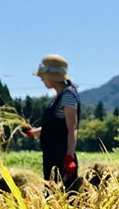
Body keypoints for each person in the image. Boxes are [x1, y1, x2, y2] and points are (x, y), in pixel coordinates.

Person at [22, 55, 81, 191]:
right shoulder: (57, 98)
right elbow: (56, 126)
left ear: (53, 76)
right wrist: (34, 132)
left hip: (62, 158)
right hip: (51, 157)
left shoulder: (68, 96)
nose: (42, 80)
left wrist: (69, 157)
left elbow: (72, 128)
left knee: (64, 200)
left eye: (43, 76)